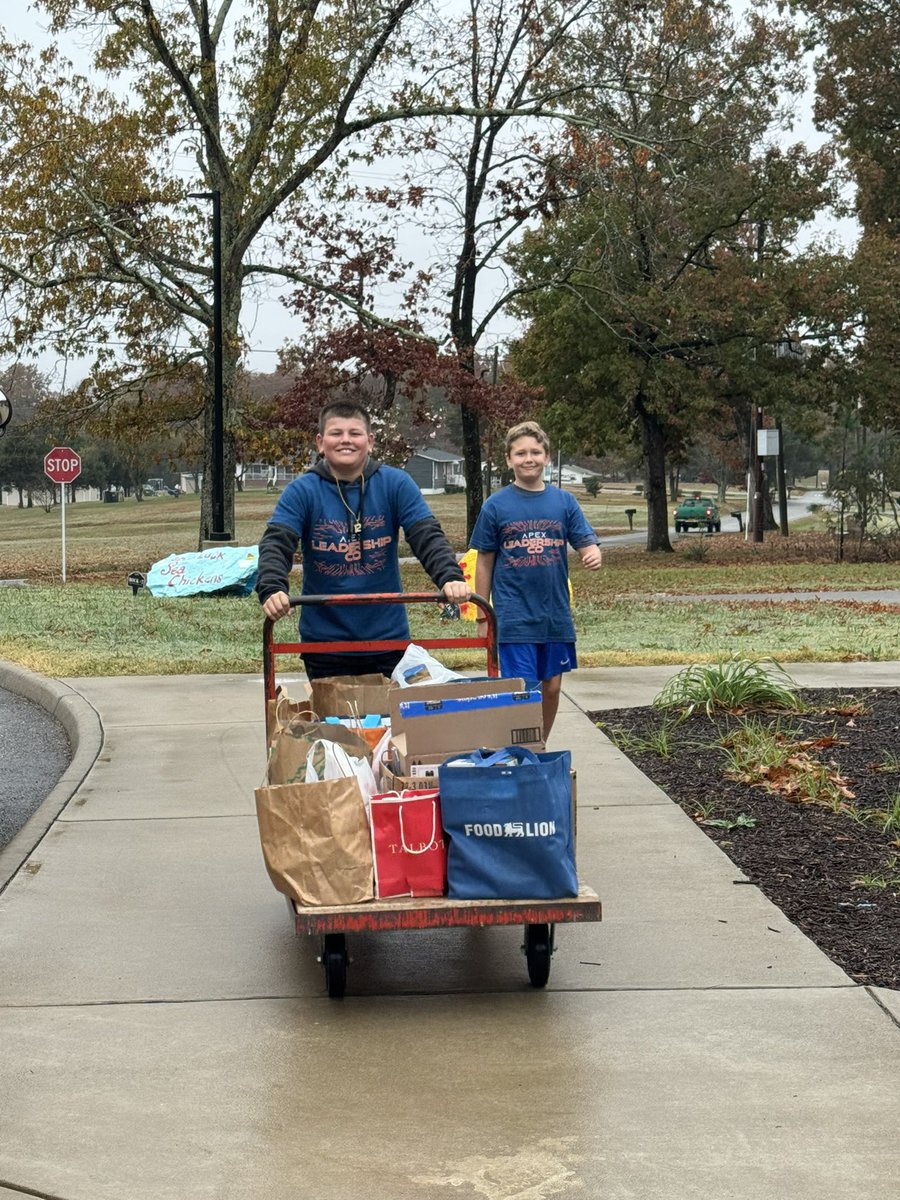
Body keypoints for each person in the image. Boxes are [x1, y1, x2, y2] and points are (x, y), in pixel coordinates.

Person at [256, 401, 469, 679]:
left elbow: (426, 534)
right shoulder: (302, 491)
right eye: (336, 433)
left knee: (395, 723)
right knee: (333, 723)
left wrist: (449, 577)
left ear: (369, 442)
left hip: (388, 638)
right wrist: (272, 587)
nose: (346, 440)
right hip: (324, 642)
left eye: (355, 433)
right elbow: (277, 541)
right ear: (320, 443)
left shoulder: (396, 484)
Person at [469, 420, 602, 738]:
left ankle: (539, 742)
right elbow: (484, 561)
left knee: (552, 687)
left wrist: (592, 552)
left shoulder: (564, 502)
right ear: (508, 459)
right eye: (520, 453)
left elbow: (585, 539)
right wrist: (481, 611)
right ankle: (519, 746)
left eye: (535, 452)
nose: (528, 458)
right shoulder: (495, 506)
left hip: (554, 616)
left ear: (547, 456)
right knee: (522, 689)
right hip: (514, 616)